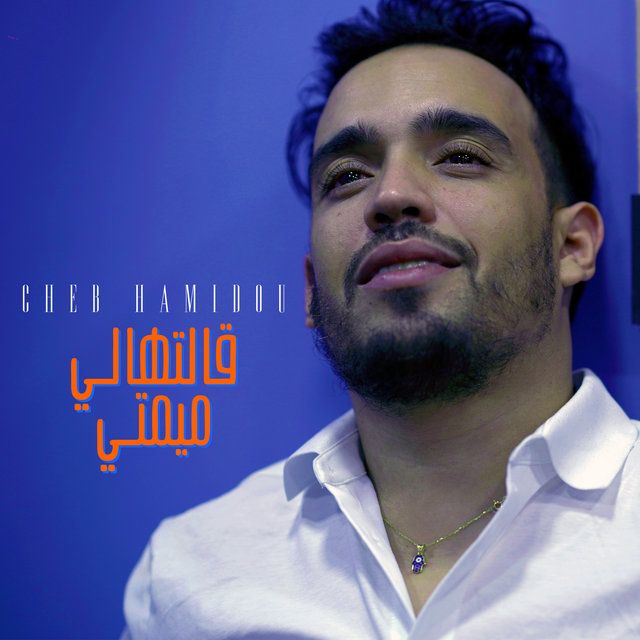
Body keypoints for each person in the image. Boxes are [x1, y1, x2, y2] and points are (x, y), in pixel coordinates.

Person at [121, 1, 640, 638]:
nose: (390, 195)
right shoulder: (186, 577)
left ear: (572, 247)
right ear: (311, 288)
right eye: (347, 176)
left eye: (460, 156)